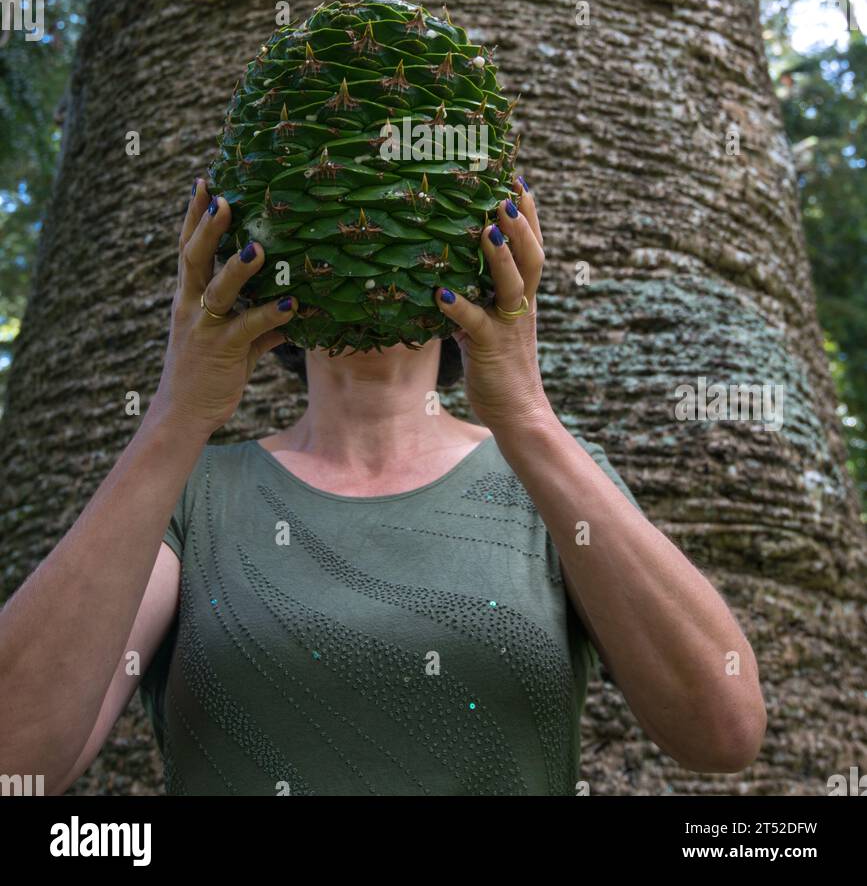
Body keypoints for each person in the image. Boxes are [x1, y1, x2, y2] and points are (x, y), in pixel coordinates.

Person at [0, 174, 766, 796]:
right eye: (337, 210)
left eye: (400, 215)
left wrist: (528, 419)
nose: (367, 237)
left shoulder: (552, 482)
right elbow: (15, 765)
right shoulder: (192, 493)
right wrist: (174, 416)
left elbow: (722, 729)